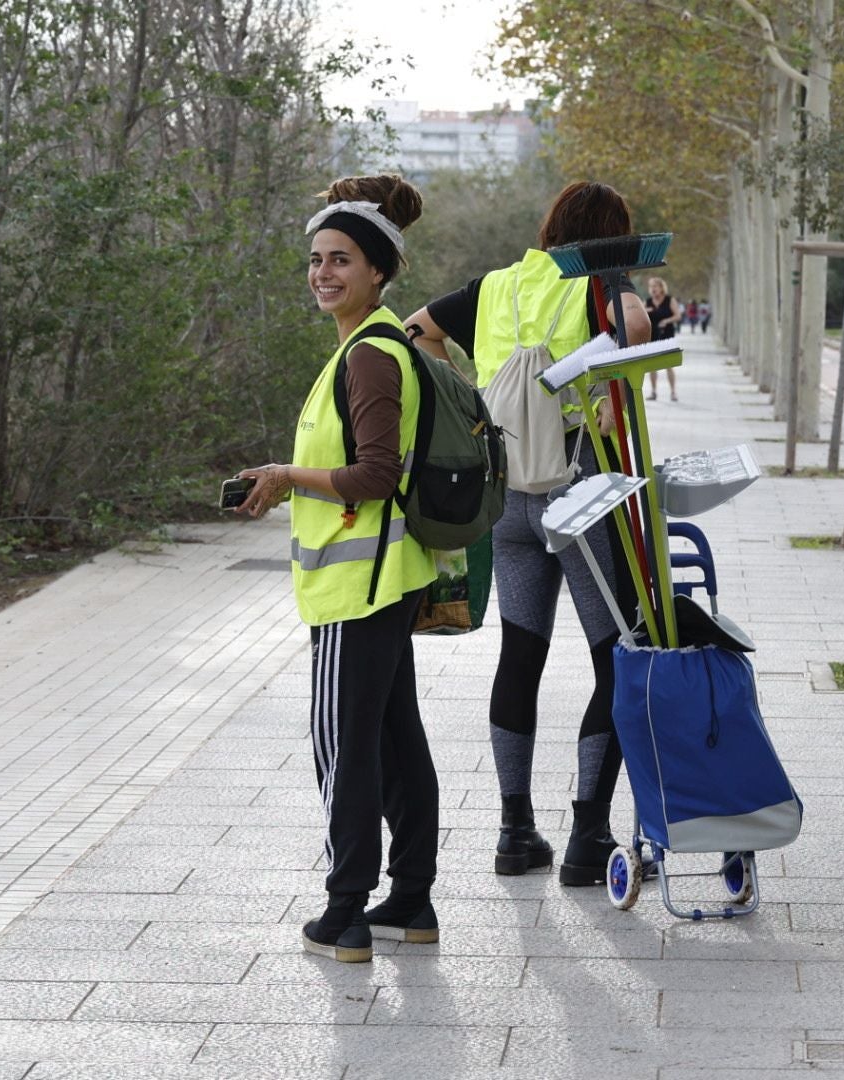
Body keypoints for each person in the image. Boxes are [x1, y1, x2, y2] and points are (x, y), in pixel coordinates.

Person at [404, 181, 651, 886]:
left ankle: (515, 831)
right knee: (615, 659)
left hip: (507, 495)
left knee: (521, 655)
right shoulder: (597, 283)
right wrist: (606, 391)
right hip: (582, 493)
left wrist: (463, 396)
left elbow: (414, 330)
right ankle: (586, 835)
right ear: (609, 236)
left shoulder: (498, 286)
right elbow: (634, 324)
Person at [236, 175, 441, 962]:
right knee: (392, 742)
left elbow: (375, 475)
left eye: (342, 260)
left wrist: (287, 475)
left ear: (379, 271)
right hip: (383, 582)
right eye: (316, 260)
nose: (324, 273)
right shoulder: (372, 346)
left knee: (342, 745)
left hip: (357, 590)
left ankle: (344, 910)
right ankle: (409, 902)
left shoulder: (369, 357)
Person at [644, 276, 682, 401]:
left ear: (661, 288)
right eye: (651, 286)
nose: (653, 289)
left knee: (668, 364)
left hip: (667, 335)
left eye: (655, 286)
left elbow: (677, 316)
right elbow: (642, 318)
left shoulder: (669, 300)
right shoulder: (647, 302)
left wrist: (667, 320)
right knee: (652, 366)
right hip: (652, 336)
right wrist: (645, 311)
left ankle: (673, 392)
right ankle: (653, 392)